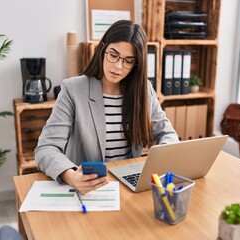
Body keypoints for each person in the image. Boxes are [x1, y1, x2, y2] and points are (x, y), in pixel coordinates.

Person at [35, 20, 179, 195]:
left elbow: (168, 134)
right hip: (86, 188)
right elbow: (46, 148)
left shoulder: (143, 90)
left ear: (136, 65)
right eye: (113, 54)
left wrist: (159, 159)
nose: (118, 66)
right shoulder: (73, 89)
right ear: (103, 49)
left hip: (127, 188)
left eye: (128, 61)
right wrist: (71, 176)